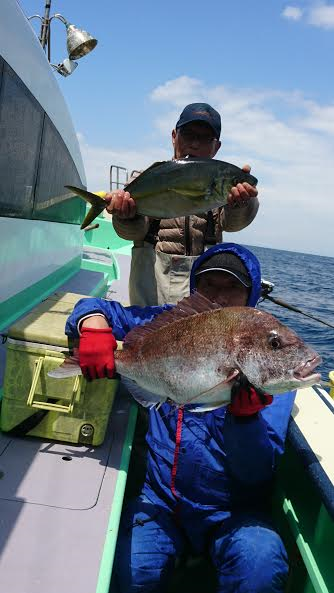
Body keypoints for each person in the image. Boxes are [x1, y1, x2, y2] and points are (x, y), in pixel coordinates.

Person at [65, 243, 294, 593]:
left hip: (232, 513)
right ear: (194, 288)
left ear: (250, 293)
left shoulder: (268, 362)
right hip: (161, 503)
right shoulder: (170, 324)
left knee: (261, 563)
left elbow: (257, 474)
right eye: (209, 285)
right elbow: (97, 307)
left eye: (231, 287)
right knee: (127, 568)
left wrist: (245, 420)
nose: (219, 296)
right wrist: (92, 326)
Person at [104, 103, 259, 307]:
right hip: (151, 284)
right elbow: (131, 233)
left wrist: (241, 203)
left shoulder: (220, 183)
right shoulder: (144, 179)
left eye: (204, 139)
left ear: (216, 147)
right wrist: (126, 215)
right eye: (188, 134)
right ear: (174, 136)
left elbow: (233, 224)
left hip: (201, 286)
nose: (194, 144)